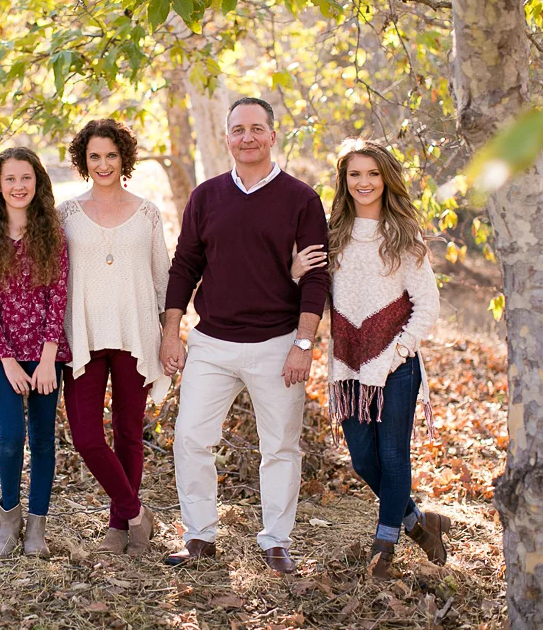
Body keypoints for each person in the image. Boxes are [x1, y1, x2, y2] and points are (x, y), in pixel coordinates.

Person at [159, 97, 331, 574]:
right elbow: (184, 267)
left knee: (279, 446)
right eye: (238, 130)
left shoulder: (301, 199)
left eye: (257, 129)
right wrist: (172, 333)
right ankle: (199, 537)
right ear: (227, 138)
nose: (247, 137)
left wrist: (303, 342)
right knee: (190, 439)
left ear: (273, 136)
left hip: (277, 343)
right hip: (211, 342)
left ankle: (276, 541)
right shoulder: (206, 196)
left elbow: (316, 278)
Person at [293, 137, 449, 580]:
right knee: (363, 460)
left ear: (386, 179)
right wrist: (295, 272)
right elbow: (312, 295)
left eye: (373, 174)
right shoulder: (332, 234)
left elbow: (428, 307)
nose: (364, 182)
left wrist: (393, 355)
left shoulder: (403, 235)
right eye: (354, 174)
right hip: (347, 366)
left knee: (395, 457)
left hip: (397, 366)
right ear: (343, 180)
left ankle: (384, 548)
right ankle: (420, 522)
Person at [57, 119, 171, 557]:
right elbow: (49, 274)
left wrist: (170, 334)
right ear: (84, 162)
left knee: (127, 433)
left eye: (110, 155)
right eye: (94, 157)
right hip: (82, 334)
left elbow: (162, 278)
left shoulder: (146, 212)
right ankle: (137, 512)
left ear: (124, 157)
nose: (103, 164)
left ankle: (119, 525)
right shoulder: (67, 213)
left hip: (135, 333)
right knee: (86, 436)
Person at [0, 147, 71, 559]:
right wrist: (8, 360)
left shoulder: (53, 236)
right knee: (12, 437)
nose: (18, 186)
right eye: (10, 179)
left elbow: (57, 297)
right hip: (2, 356)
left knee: (43, 441)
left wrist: (48, 357)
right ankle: (8, 519)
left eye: (26, 178)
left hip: (46, 354)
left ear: (38, 182)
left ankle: (37, 528)